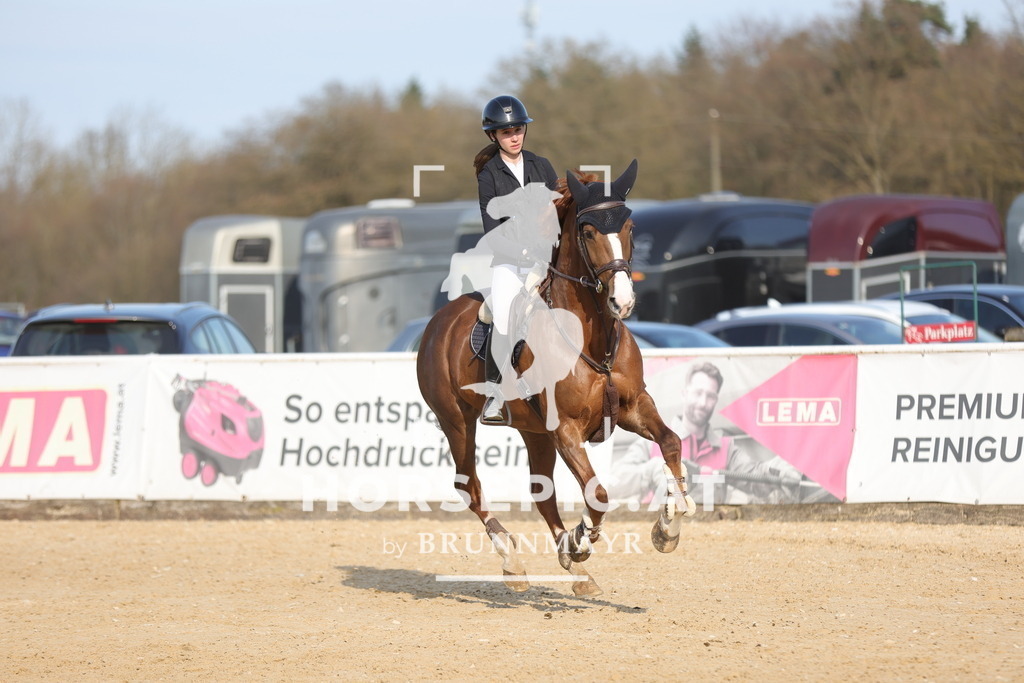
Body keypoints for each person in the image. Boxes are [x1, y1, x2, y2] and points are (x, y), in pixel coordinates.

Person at [472, 95, 560, 424]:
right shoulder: (489, 175)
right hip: (509, 263)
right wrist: (521, 252)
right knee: (506, 316)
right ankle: (494, 395)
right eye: (506, 131)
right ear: (493, 136)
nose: (514, 136)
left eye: (518, 129)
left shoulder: (541, 166)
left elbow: (559, 210)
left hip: (545, 261)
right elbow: (490, 228)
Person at [609, 360, 803, 505]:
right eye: (698, 393)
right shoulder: (653, 440)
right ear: (685, 394)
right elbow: (614, 482)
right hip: (659, 538)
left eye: (710, 396)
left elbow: (755, 479)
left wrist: (778, 471)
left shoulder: (727, 449)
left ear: (716, 400)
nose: (702, 403)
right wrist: (653, 470)